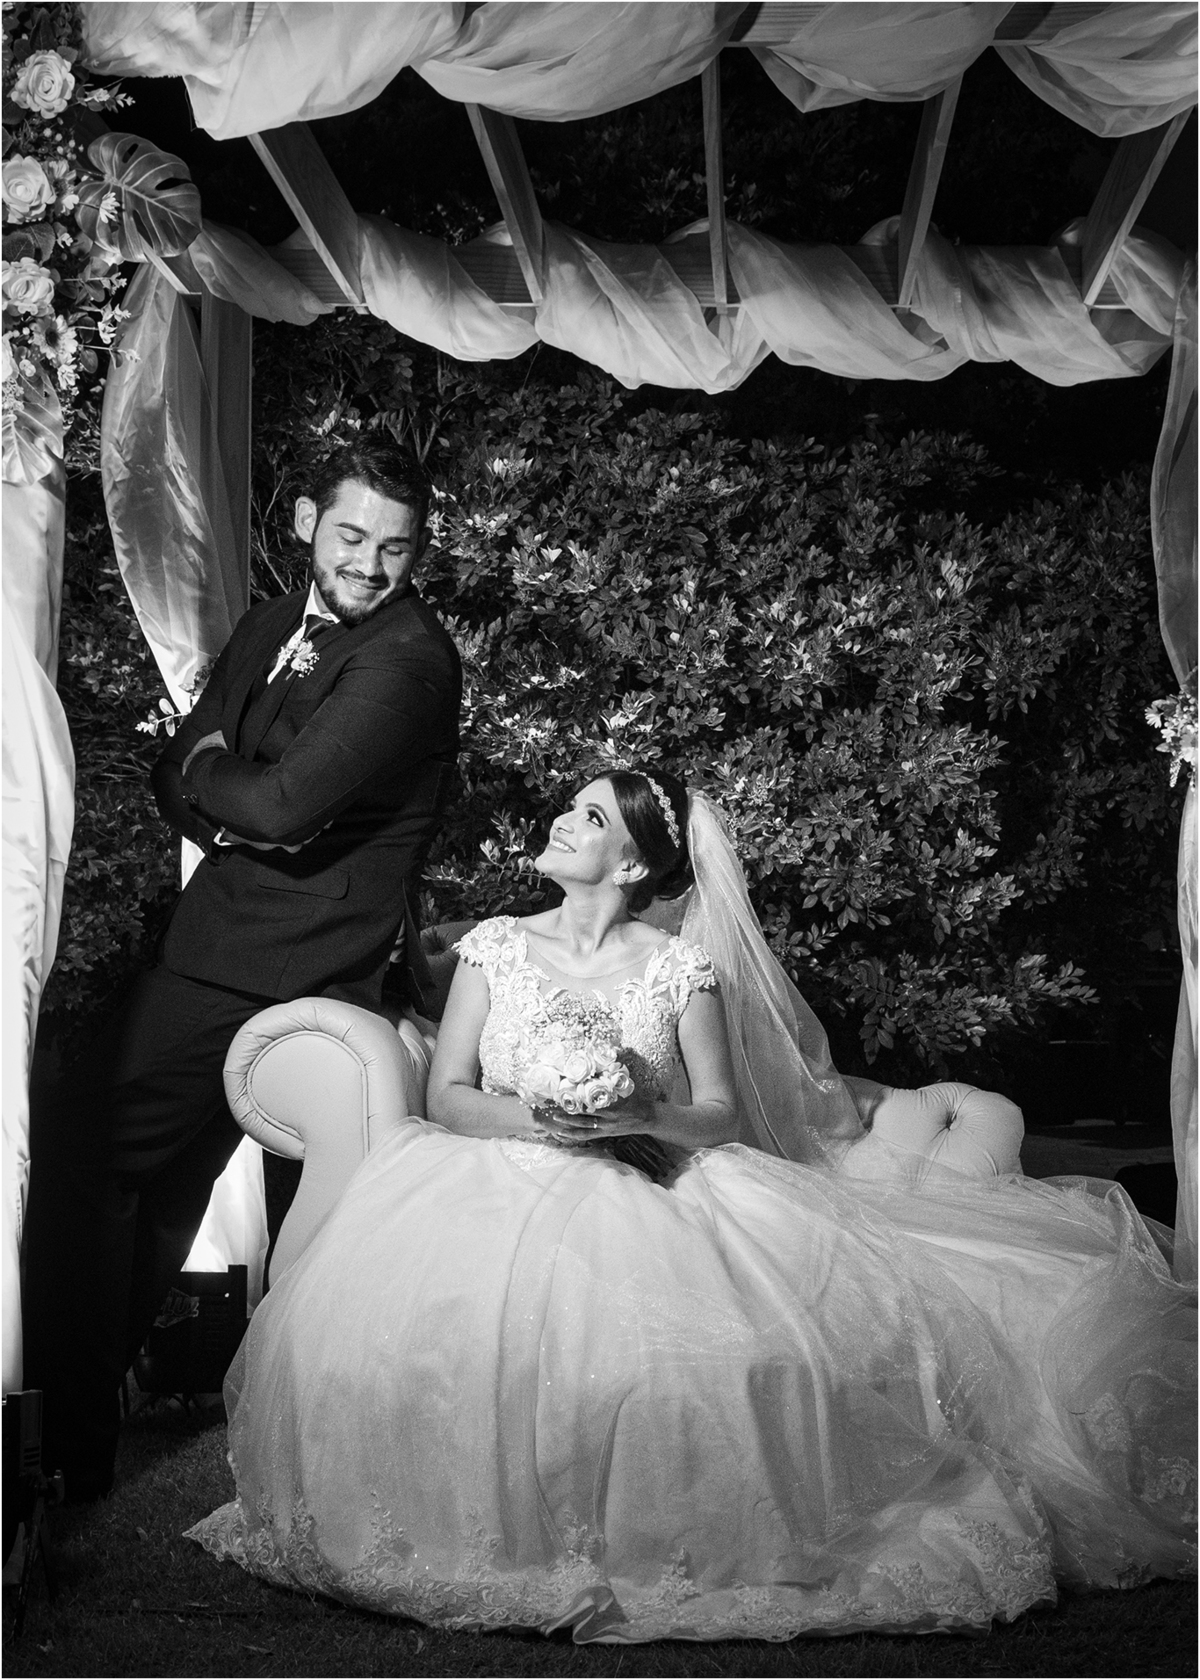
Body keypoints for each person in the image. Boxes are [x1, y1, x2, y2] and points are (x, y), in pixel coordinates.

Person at [187, 767, 1195, 1642]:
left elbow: (717, 1115)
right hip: (494, 1179)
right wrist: (546, 1121)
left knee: (731, 1359)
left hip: (652, 1180)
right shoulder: (494, 948)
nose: (562, 821)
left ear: (632, 864)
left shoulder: (680, 970)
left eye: (590, 817)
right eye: (570, 806)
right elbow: (448, 1094)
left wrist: (640, 1114)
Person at [22, 438, 462, 1503]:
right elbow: (174, 774)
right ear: (307, 521)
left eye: (396, 547)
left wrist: (231, 789)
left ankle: (60, 1430)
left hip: (277, 963)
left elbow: (277, 804)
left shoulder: (407, 660)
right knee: (158, 1180)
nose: (369, 564)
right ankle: (78, 1435)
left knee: (88, 1153)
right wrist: (234, 799)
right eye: (351, 535)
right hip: (227, 935)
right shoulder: (271, 622)